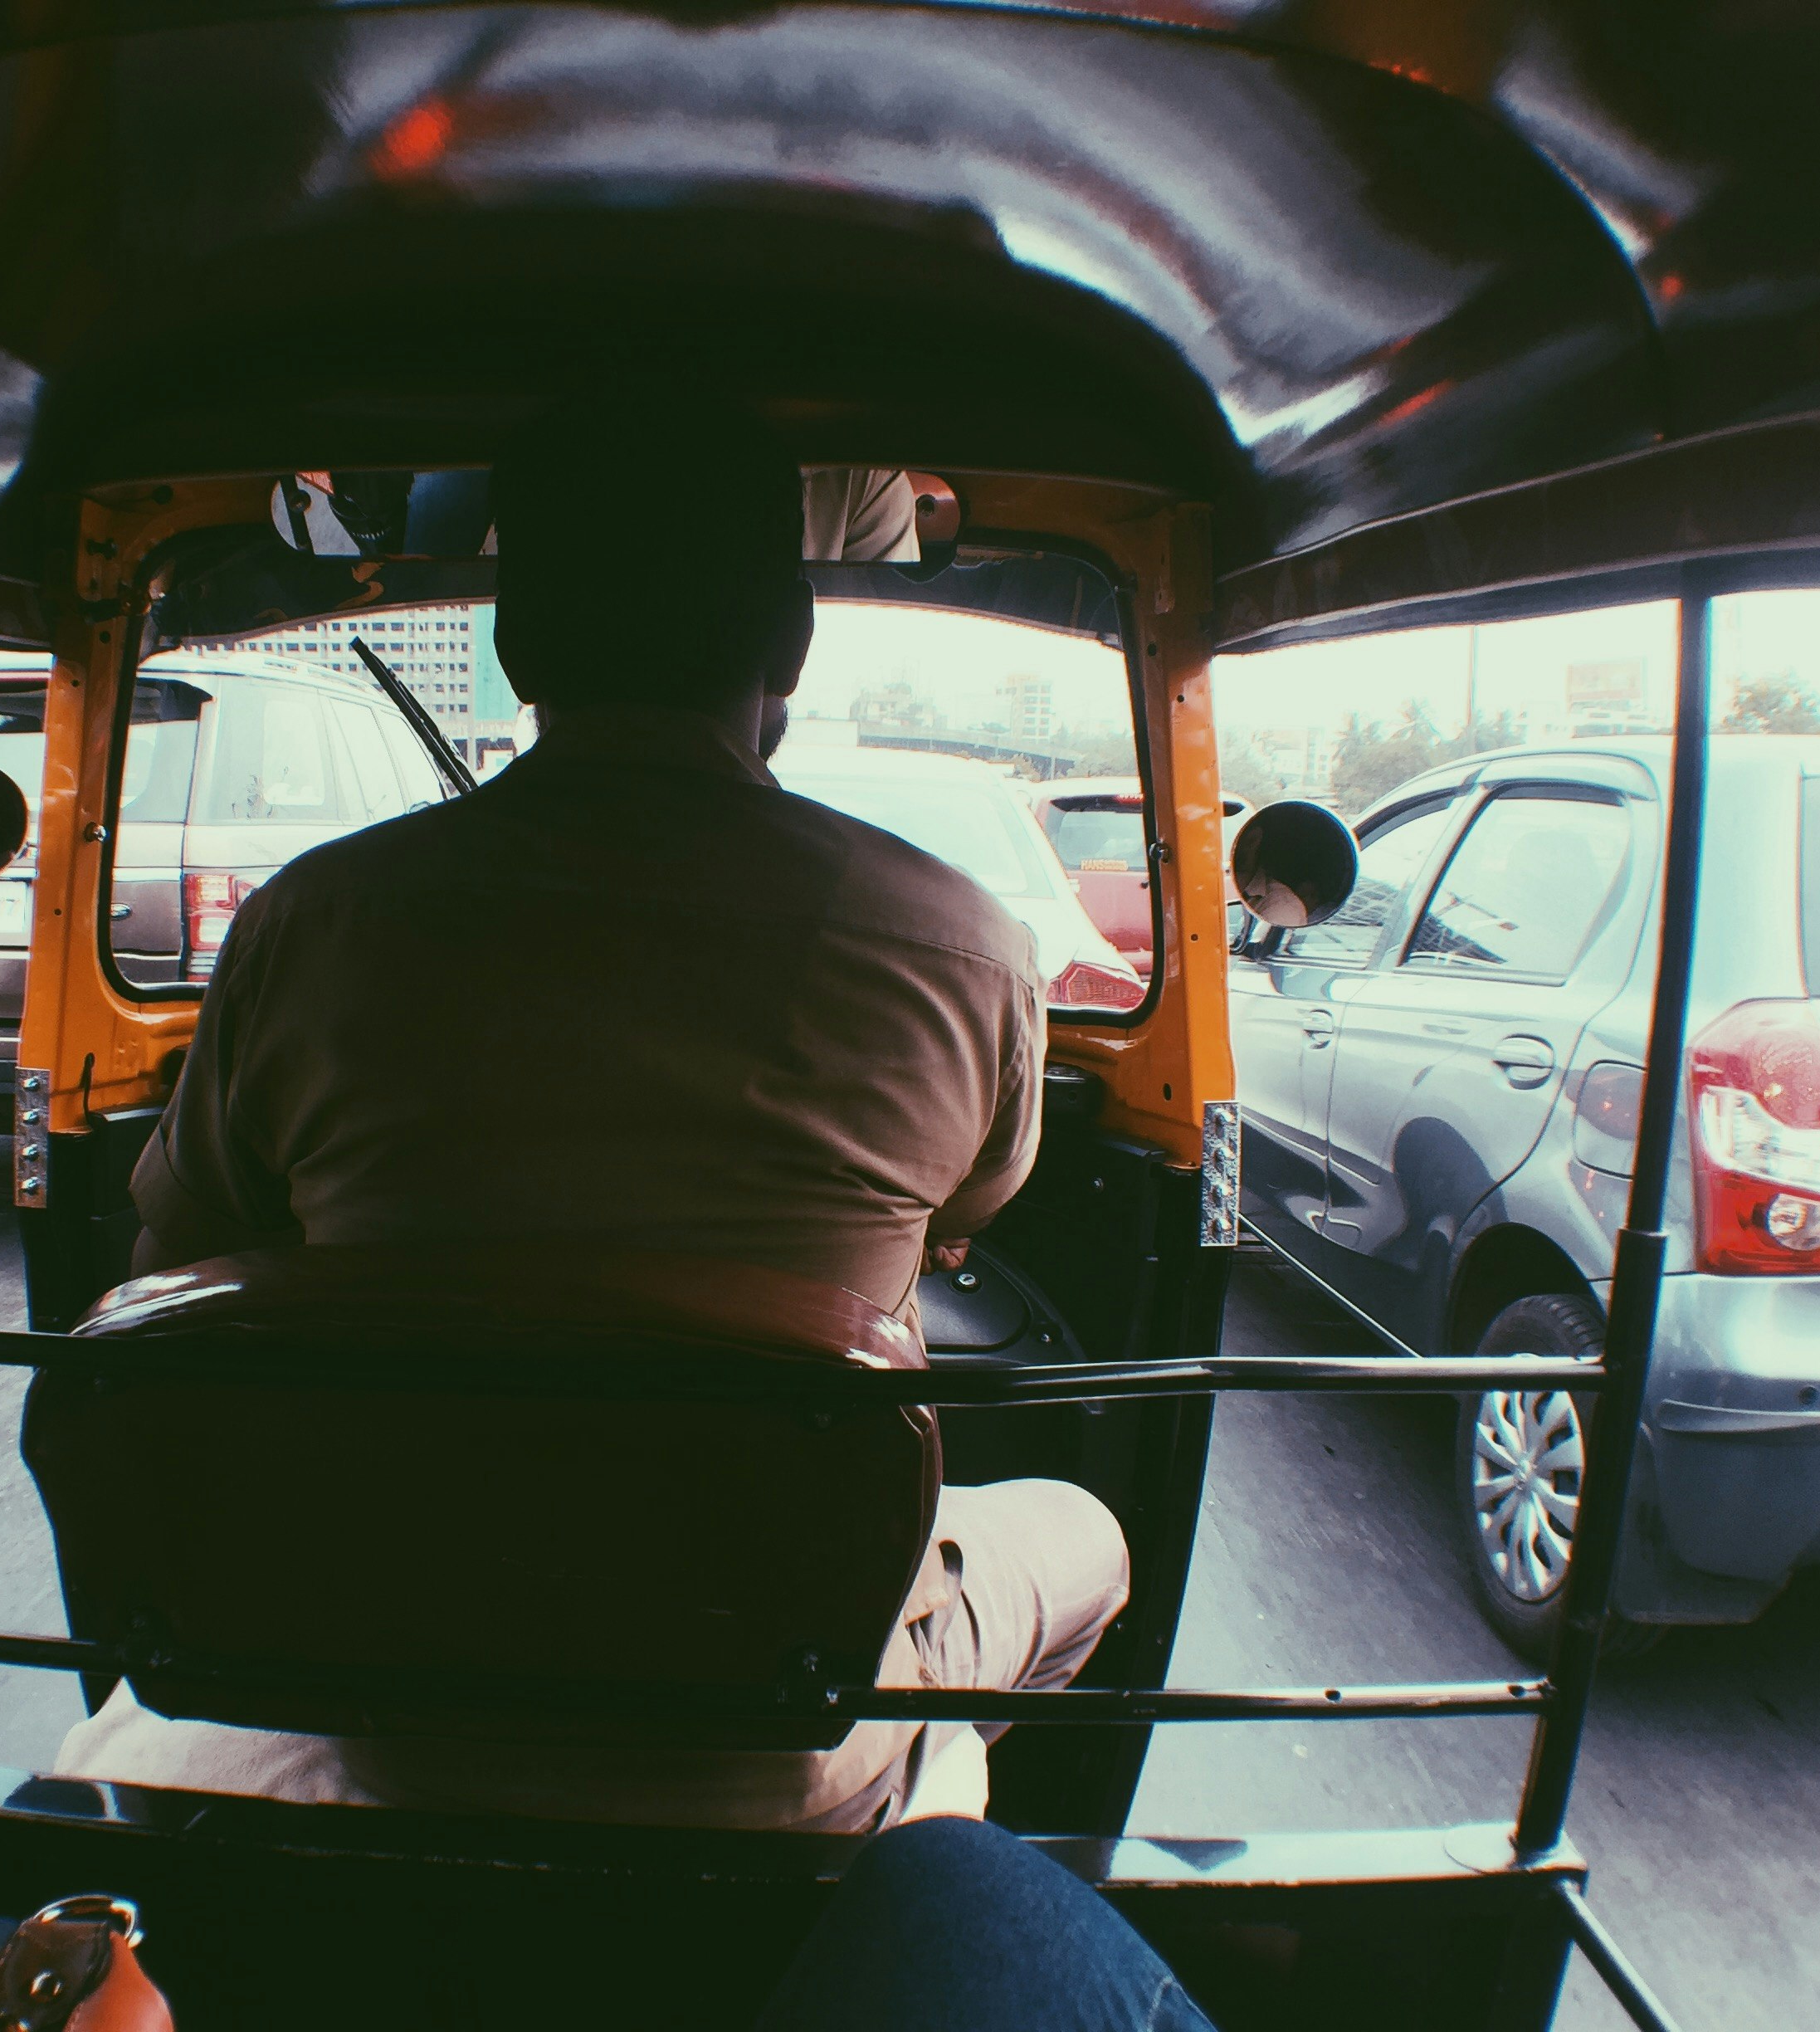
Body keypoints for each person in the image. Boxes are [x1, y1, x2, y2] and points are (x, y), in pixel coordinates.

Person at [87, 398, 1128, 1832]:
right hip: (775, 1716)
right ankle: (928, 1851)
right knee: (1088, 1540)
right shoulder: (959, 945)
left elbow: (177, 1250)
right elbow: (961, 1213)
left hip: (382, 1665)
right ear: (788, 644)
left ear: (514, 643)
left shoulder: (314, 921)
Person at [0, 1772, 1215, 2030]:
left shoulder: (320, 919)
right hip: (763, 1646)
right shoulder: (942, 929)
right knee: (963, 1867)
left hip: (287, 1562)